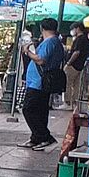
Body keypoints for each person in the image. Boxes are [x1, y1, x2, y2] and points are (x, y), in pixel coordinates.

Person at [21, 17, 65, 150]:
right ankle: (37, 138)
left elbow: (41, 60)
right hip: (40, 82)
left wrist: (27, 52)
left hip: (38, 83)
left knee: (28, 109)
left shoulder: (50, 42)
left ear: (42, 28)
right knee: (40, 111)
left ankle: (45, 136)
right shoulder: (54, 42)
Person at [66, 24, 89, 110]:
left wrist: (68, 63)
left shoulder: (79, 39)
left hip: (73, 65)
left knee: (68, 83)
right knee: (77, 85)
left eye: (73, 29)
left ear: (77, 29)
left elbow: (76, 52)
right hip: (81, 66)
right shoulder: (86, 39)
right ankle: (74, 103)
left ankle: (68, 102)